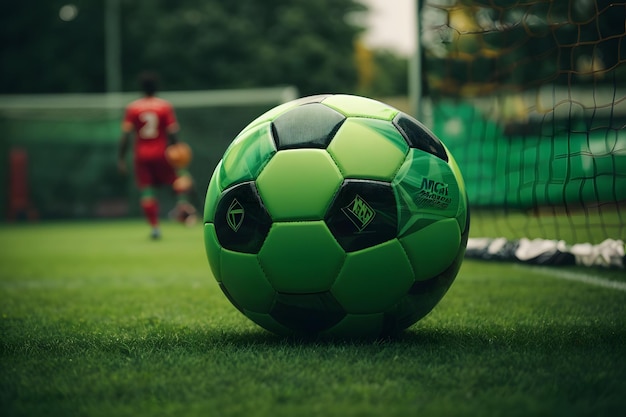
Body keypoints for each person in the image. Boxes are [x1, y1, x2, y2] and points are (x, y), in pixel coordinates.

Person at [117, 71, 197, 239]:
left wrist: (121, 158)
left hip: (141, 155)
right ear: (157, 87)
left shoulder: (133, 107)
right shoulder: (164, 106)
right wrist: (178, 149)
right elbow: (173, 132)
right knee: (179, 178)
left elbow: (126, 136)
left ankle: (155, 228)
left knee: (147, 191)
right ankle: (182, 206)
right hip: (162, 152)